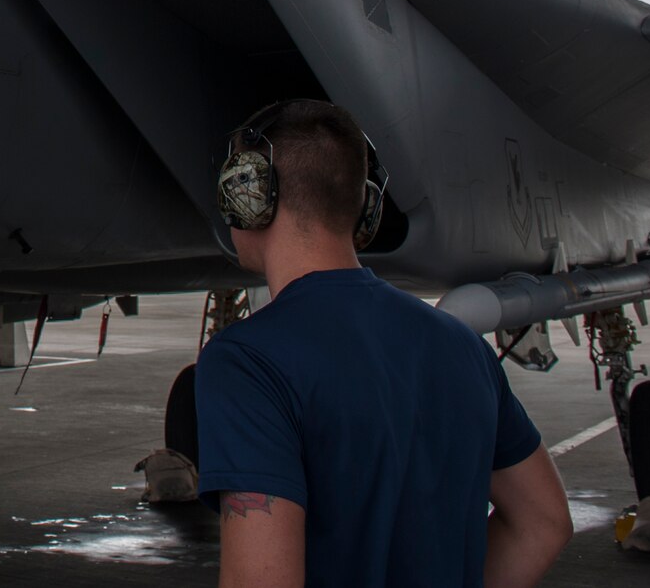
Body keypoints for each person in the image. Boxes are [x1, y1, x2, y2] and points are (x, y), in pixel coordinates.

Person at [198, 99, 573, 588]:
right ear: (364, 203)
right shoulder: (462, 346)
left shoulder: (248, 364)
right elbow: (543, 523)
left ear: (250, 195)